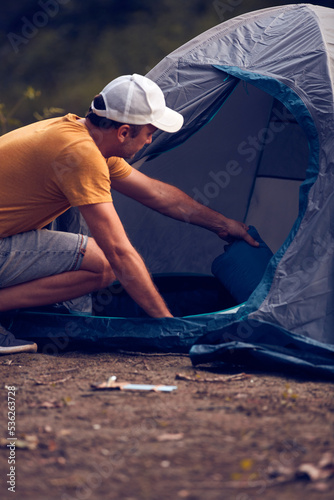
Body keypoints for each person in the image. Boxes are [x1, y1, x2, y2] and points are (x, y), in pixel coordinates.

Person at [0, 73, 258, 354]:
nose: (149, 141)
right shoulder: (81, 155)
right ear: (124, 132)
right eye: (150, 132)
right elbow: (119, 252)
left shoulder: (82, 137)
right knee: (104, 266)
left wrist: (223, 224)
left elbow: (158, 195)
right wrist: (168, 325)